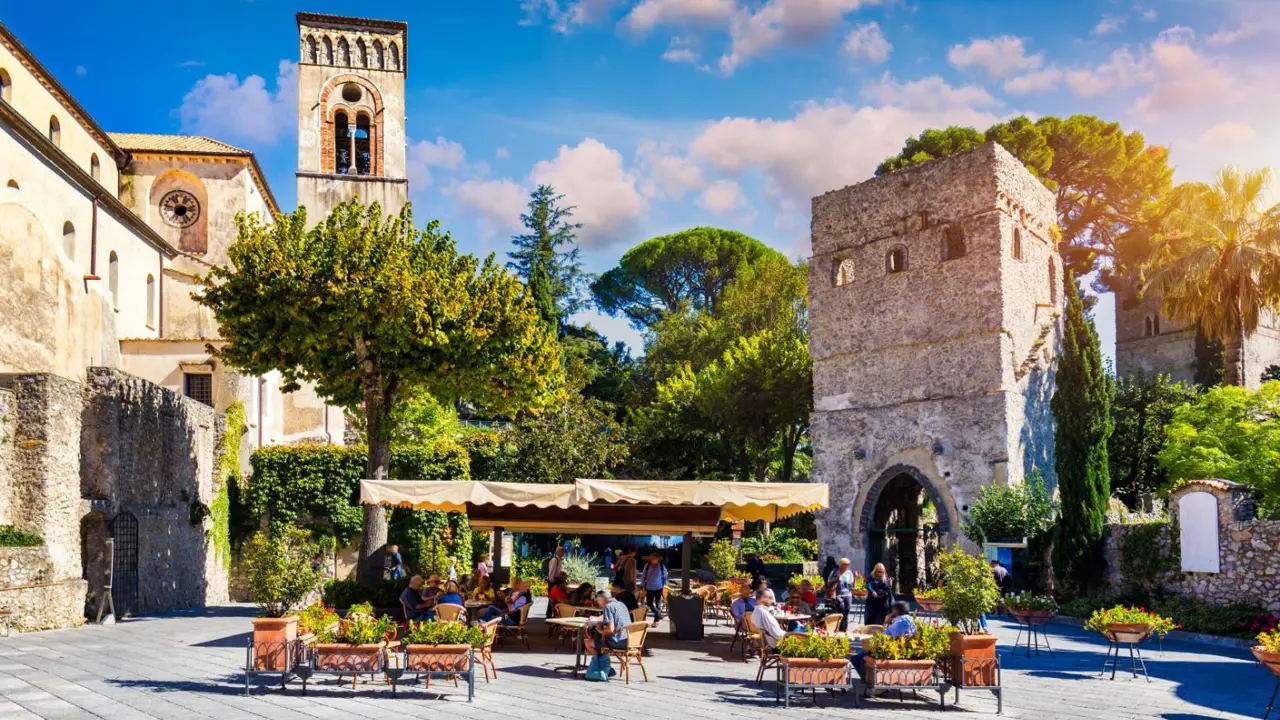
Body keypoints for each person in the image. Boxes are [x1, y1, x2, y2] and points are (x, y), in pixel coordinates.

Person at [583, 589, 630, 660]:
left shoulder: (608, 607)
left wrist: (600, 630)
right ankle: (603, 662)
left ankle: (600, 665)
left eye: (597, 600)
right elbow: (613, 616)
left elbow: (611, 629)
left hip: (617, 641)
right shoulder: (621, 604)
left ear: (601, 599)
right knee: (599, 639)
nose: (598, 603)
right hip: (628, 640)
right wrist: (598, 618)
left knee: (588, 643)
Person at [639, 553, 668, 623]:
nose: (652, 560)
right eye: (651, 558)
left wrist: (663, 585)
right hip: (649, 588)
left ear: (657, 559)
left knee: (658, 603)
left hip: (658, 588)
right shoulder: (647, 566)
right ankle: (658, 613)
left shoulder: (661, 566)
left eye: (653, 558)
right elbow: (643, 576)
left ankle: (656, 620)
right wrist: (642, 585)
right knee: (649, 604)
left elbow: (665, 577)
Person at [834, 558, 857, 631]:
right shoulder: (836, 572)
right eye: (846, 565)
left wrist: (855, 577)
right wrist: (837, 577)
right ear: (841, 565)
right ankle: (839, 627)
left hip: (848, 594)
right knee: (841, 612)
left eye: (848, 565)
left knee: (847, 612)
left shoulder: (849, 572)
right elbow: (829, 582)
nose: (847, 566)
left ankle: (845, 628)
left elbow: (852, 586)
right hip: (839, 595)